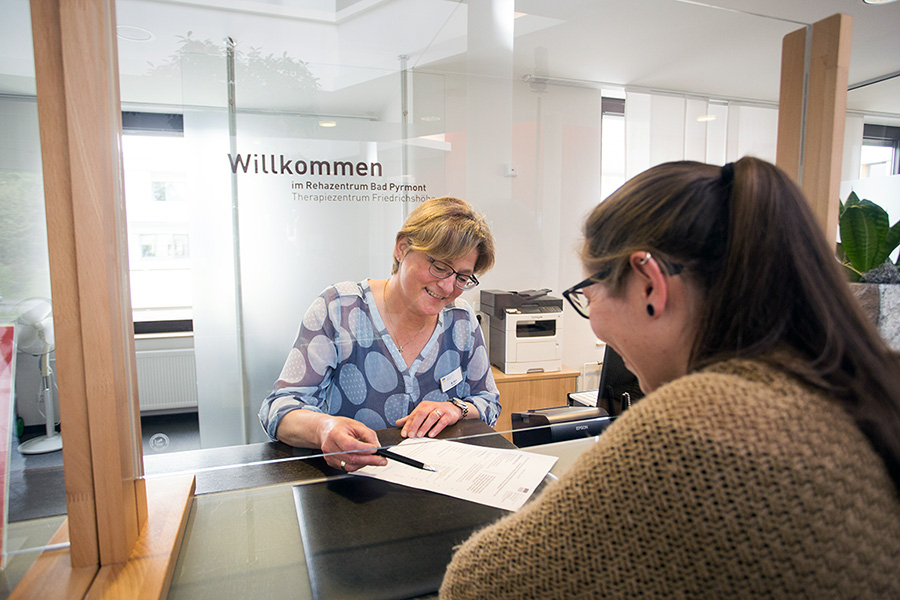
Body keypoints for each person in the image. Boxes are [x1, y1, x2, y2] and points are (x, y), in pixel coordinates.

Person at [440, 157, 900, 599]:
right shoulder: (858, 384)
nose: (592, 321)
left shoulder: (694, 426)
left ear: (649, 284)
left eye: (588, 292)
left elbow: (476, 584)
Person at [259, 196, 500, 472]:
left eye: (461, 277)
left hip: (439, 485)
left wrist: (457, 409)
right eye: (440, 266)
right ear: (402, 248)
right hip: (353, 488)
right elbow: (279, 409)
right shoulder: (340, 310)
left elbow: (488, 402)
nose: (447, 287)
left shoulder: (461, 320)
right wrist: (324, 428)